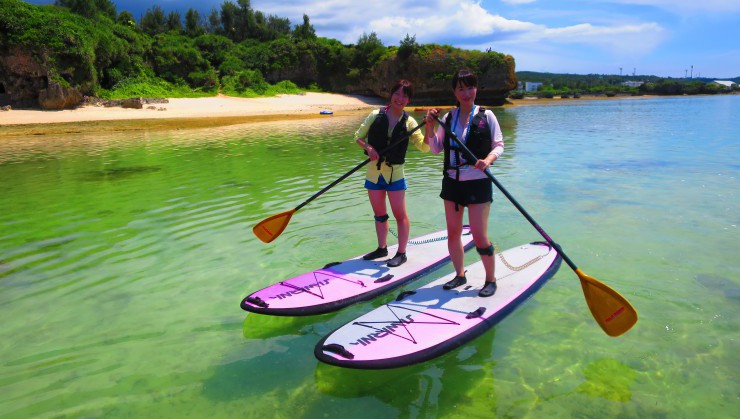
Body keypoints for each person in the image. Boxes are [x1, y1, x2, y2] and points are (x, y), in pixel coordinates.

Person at [424, 69, 504, 297]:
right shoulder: (448, 118)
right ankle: (459, 275)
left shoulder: (487, 116)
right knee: (453, 233)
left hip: (478, 183)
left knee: (479, 236)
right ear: (454, 92)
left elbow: (499, 144)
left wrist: (488, 159)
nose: (466, 93)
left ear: (476, 89)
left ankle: (490, 279)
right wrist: (429, 125)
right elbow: (435, 148)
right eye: (461, 89)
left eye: (470, 87)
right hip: (452, 184)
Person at [354, 80, 430, 267]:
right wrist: (369, 148)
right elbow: (358, 137)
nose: (400, 98)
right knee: (379, 214)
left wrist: (429, 127)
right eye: (397, 93)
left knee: (400, 215)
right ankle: (382, 248)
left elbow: (424, 147)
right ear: (391, 94)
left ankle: (401, 253)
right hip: (374, 174)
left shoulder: (410, 122)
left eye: (405, 95)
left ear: (409, 100)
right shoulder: (375, 115)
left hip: (395, 176)